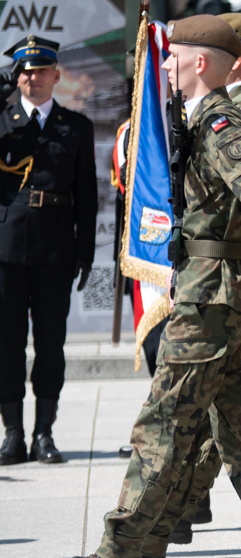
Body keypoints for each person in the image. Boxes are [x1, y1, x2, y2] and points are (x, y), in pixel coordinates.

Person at [84, 15, 241, 558]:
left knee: (162, 425)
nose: (164, 67)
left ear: (199, 63)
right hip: (227, 296)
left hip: (211, 302)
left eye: (172, 58)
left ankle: (123, 547)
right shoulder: (201, 119)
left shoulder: (222, 125)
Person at [0, 35, 97, 466]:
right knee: (6, 343)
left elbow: (87, 196)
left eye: (39, 71)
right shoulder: (3, 118)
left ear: (57, 76)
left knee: (51, 343)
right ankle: (13, 434)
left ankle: (44, 433)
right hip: (6, 246)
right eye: (23, 70)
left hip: (56, 245)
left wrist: (86, 251)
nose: (30, 78)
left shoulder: (76, 126)